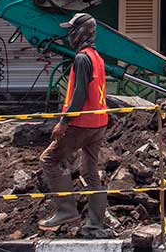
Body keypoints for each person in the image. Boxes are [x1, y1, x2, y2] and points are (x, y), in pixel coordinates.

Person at [38, 13, 113, 236]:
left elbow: (79, 95)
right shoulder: (97, 57)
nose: (69, 34)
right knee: (90, 171)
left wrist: (63, 122)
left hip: (82, 123)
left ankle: (66, 211)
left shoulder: (81, 59)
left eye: (72, 30)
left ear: (81, 32)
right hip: (99, 122)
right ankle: (95, 224)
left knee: (49, 160)